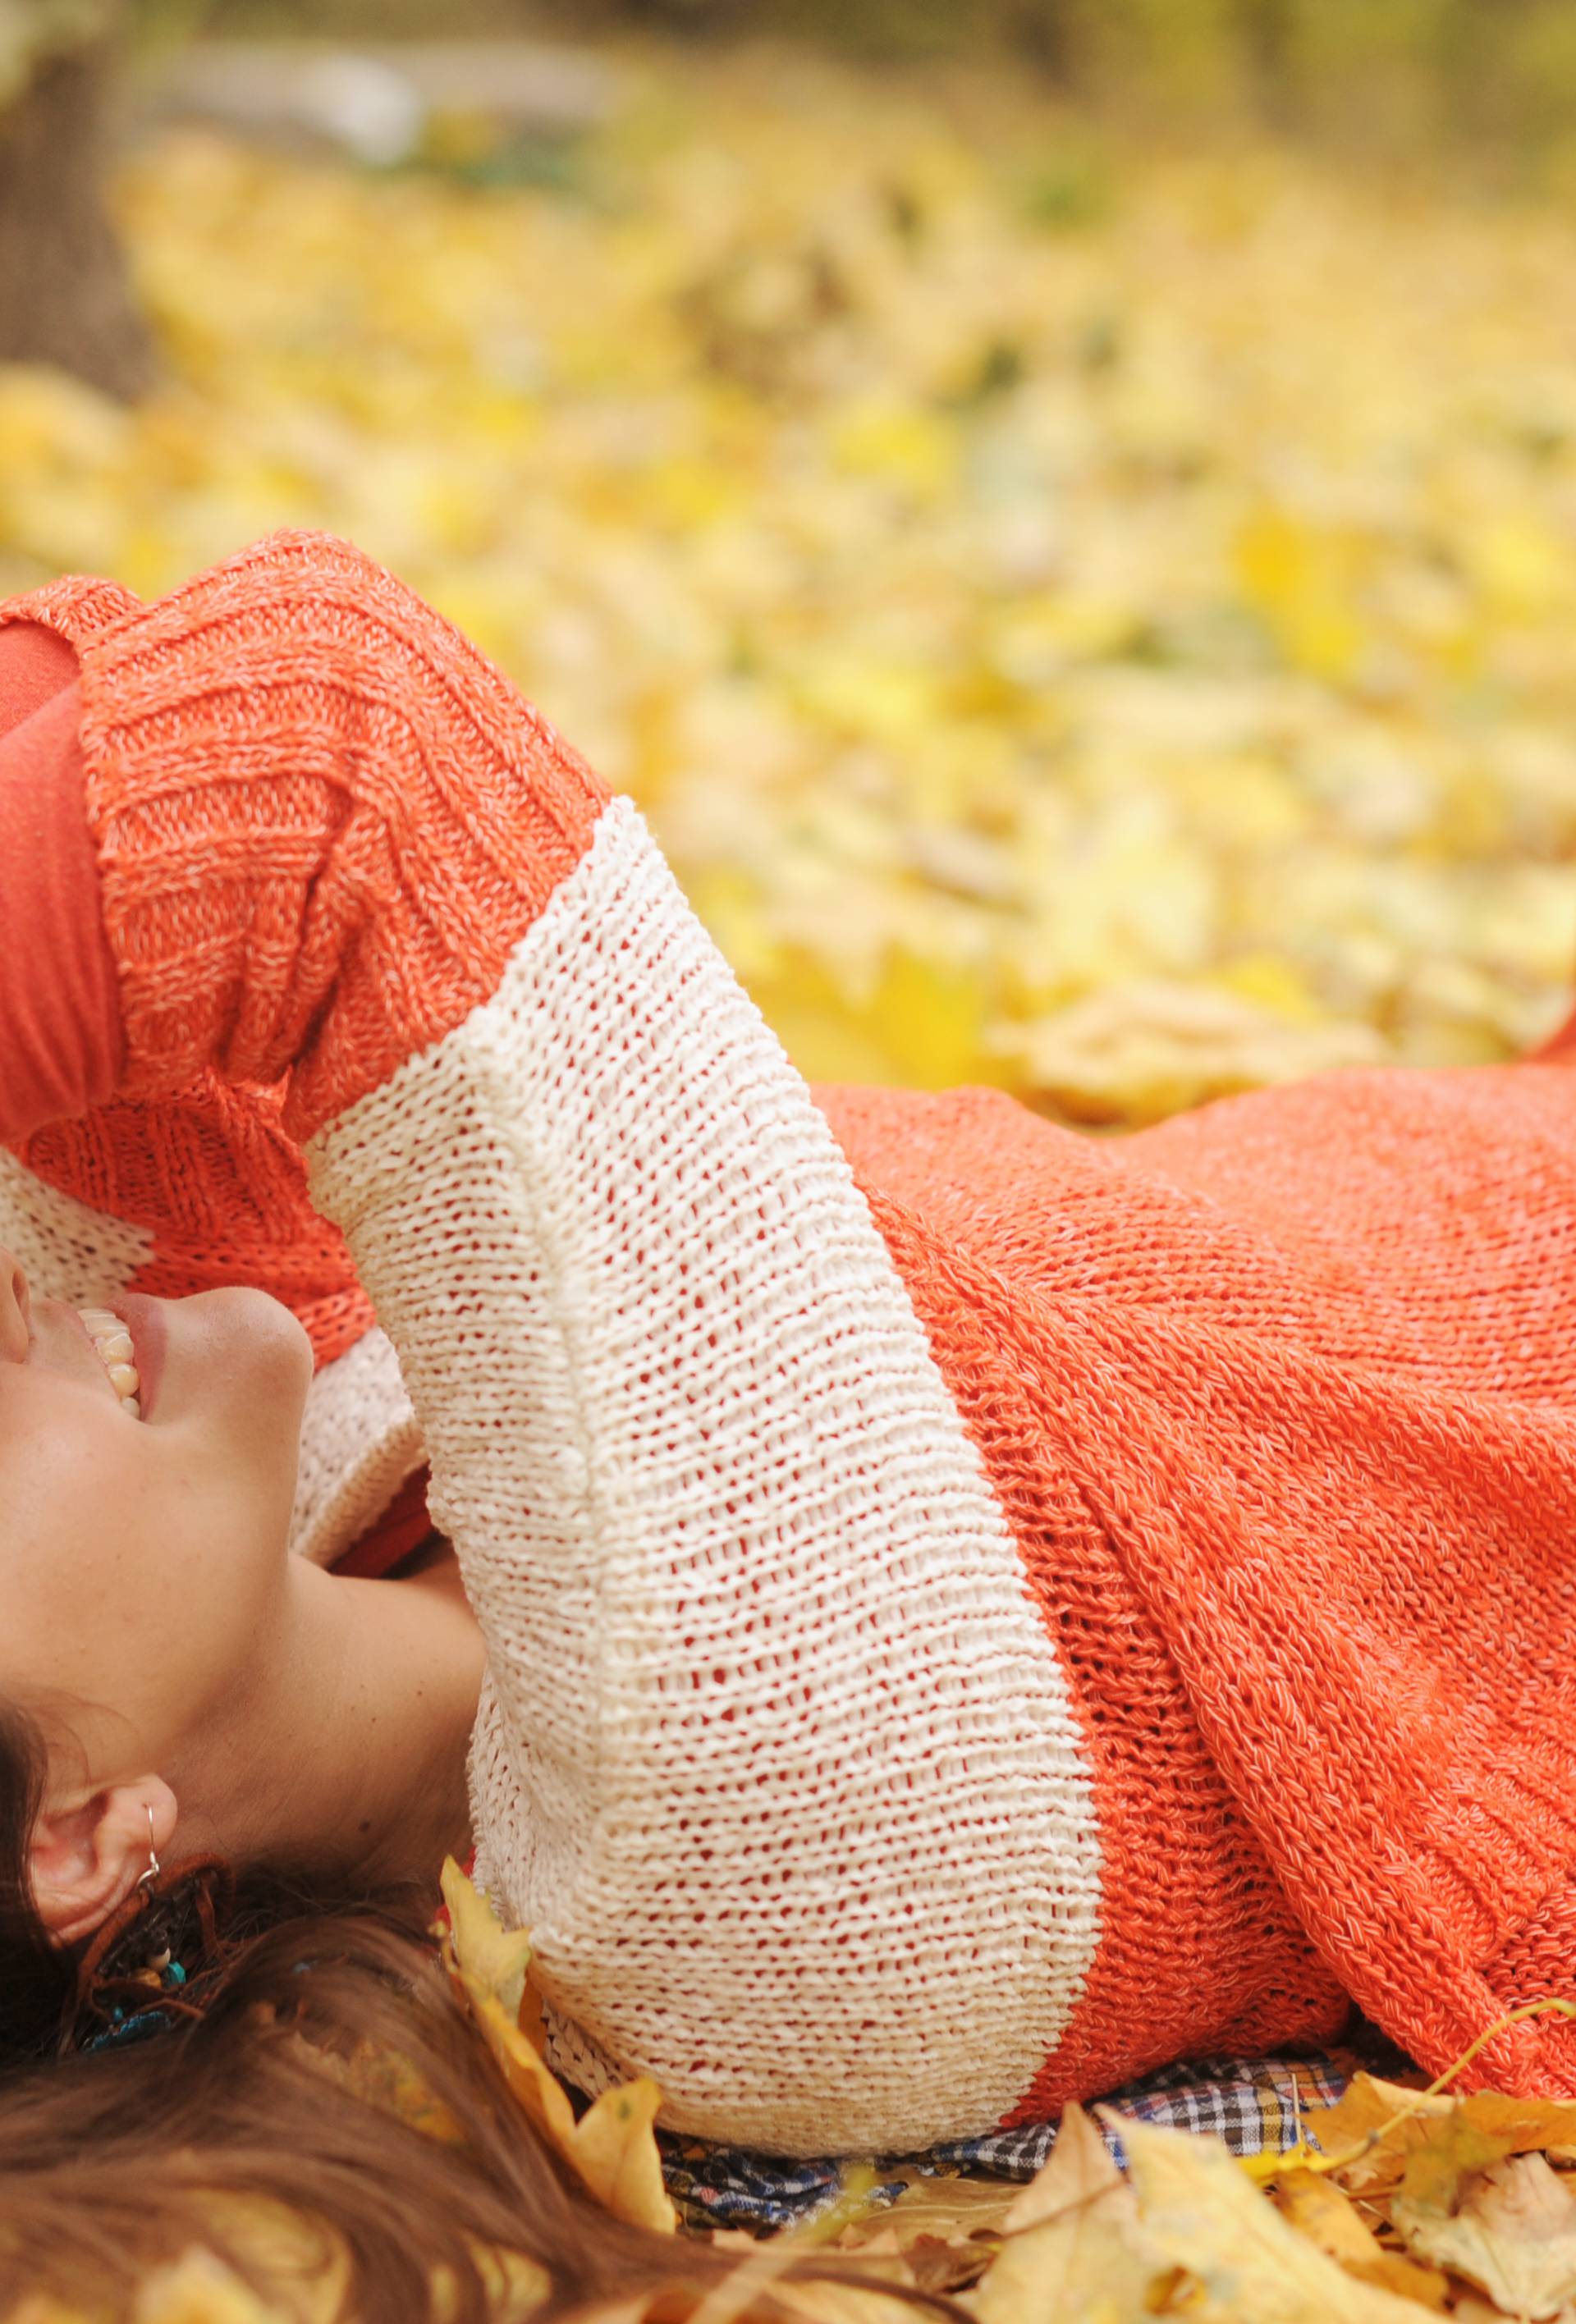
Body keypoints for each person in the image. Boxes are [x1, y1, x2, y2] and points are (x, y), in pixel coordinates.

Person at [0, 529, 1574, 2297]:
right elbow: (320, 756)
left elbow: (99, 829)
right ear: (74, 1834)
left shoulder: (254, 1450)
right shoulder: (754, 1872)